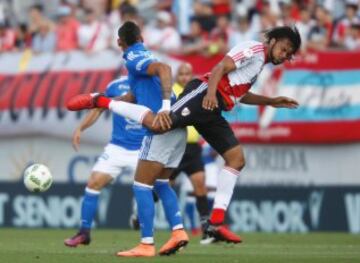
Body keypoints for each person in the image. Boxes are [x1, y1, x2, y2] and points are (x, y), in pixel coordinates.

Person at [68, 25, 301, 245]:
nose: (284, 55)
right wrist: (210, 94)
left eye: (288, 54)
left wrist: (270, 101)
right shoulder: (253, 49)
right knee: (160, 124)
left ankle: (215, 223)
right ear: (271, 41)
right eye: (283, 48)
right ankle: (101, 100)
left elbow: (240, 94)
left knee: (237, 160)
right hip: (201, 96)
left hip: (213, 110)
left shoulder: (260, 63)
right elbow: (220, 67)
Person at [68, 21, 190, 257]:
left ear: (119, 42)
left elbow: (164, 68)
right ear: (142, 37)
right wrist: (110, 101)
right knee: (162, 184)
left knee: (141, 185)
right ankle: (178, 232)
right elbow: (136, 95)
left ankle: (146, 244)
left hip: (161, 125)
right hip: (178, 128)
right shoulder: (143, 55)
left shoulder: (134, 56)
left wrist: (164, 107)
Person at [64, 76, 147, 247]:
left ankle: (145, 227)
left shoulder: (150, 85)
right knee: (93, 183)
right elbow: (97, 109)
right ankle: (84, 233)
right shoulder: (115, 86)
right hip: (117, 147)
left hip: (143, 148)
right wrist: (81, 128)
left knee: (149, 190)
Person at [170, 63, 212, 244]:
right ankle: (139, 215)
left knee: (200, 185)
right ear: (176, 76)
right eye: (182, 74)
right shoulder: (170, 93)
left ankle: (206, 229)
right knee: (165, 187)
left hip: (193, 148)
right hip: (174, 147)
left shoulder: (196, 91)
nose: (185, 77)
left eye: (188, 73)